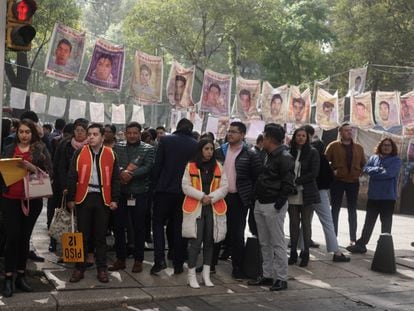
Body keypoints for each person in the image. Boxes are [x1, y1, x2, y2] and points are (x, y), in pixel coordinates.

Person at [1, 119, 53, 297]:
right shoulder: (8, 147)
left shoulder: (40, 149)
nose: (24, 135)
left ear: (32, 133)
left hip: (32, 199)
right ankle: (8, 277)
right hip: (10, 198)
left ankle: (21, 276)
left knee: (24, 237)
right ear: (17, 133)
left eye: (27, 132)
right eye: (21, 132)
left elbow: (50, 174)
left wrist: (33, 168)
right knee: (12, 237)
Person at [67, 123, 120, 283]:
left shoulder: (111, 154)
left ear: (103, 137)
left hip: (103, 198)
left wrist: (115, 199)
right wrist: (71, 198)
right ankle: (79, 268)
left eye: (95, 134)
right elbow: (71, 176)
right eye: (89, 134)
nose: (91, 137)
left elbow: (115, 178)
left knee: (100, 236)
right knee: (82, 235)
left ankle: (102, 268)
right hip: (84, 197)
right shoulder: (79, 152)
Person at [248, 123, 295, 291]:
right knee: (264, 242)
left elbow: (288, 183)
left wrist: (278, 204)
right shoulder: (268, 154)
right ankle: (267, 275)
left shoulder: (284, 157)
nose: (263, 139)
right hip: (261, 203)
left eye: (265, 136)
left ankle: (281, 278)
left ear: (270, 139)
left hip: (273, 205)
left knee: (277, 242)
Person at [151, 118, 198, 275]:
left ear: (177, 127)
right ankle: (178, 263)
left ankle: (159, 260)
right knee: (179, 227)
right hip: (185, 193)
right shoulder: (195, 144)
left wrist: (153, 187)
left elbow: (157, 166)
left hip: (164, 190)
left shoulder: (165, 140)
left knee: (158, 224)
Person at [216, 121, 262, 278]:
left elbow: (257, 178)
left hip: (238, 198)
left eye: (234, 132)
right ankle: (211, 264)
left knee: (236, 233)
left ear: (242, 135)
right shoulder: (219, 151)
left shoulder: (250, 154)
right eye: (229, 131)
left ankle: (237, 266)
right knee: (216, 231)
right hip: (219, 197)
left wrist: (250, 197)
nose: (230, 134)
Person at [181, 139, 228, 288]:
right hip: (196, 207)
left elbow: (225, 187)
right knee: (195, 242)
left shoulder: (219, 167)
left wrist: (211, 197)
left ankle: (206, 275)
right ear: (200, 150)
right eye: (206, 149)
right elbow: (185, 186)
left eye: (211, 149)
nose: (209, 152)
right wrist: (202, 196)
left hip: (212, 208)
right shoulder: (191, 166)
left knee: (210, 242)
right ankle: (191, 275)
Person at [299, 126, 350, 262]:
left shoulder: (305, 158)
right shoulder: (322, 160)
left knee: (305, 221)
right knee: (327, 222)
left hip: (306, 192)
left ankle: (302, 249)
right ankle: (336, 252)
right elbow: (328, 179)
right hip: (320, 193)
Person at [109, 122, 155, 273]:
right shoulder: (118, 147)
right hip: (121, 194)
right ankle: (120, 259)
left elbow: (148, 168)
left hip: (140, 193)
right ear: (125, 133)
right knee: (118, 227)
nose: (132, 136)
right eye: (129, 133)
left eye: (135, 133)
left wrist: (130, 174)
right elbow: (113, 165)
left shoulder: (148, 149)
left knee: (139, 228)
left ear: (140, 133)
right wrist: (121, 171)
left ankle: (138, 260)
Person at [347, 138, 401, 254]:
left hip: (387, 197)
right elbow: (366, 169)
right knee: (368, 222)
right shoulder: (373, 158)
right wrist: (378, 169)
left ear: (392, 148)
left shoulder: (396, 160)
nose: (386, 147)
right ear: (380, 146)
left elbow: (390, 174)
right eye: (384, 145)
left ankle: (384, 247)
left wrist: (375, 173)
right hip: (373, 196)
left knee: (386, 224)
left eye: (388, 145)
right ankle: (361, 245)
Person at [325, 122, 366, 245]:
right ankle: (333, 237)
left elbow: (363, 163)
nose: (349, 132)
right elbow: (325, 162)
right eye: (346, 130)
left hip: (353, 182)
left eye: (350, 130)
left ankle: (353, 239)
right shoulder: (333, 146)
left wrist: (360, 172)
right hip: (338, 181)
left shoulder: (359, 147)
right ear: (341, 132)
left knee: (352, 210)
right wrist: (333, 170)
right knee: (335, 209)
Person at [287, 127, 320, 267]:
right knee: (294, 224)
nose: (300, 138)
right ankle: (293, 252)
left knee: (306, 224)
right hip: (292, 193)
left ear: (307, 138)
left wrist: (297, 181)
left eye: (303, 136)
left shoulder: (313, 152)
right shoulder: (289, 152)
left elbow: (314, 173)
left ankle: (306, 252)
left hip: (307, 192)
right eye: (298, 135)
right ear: (294, 137)